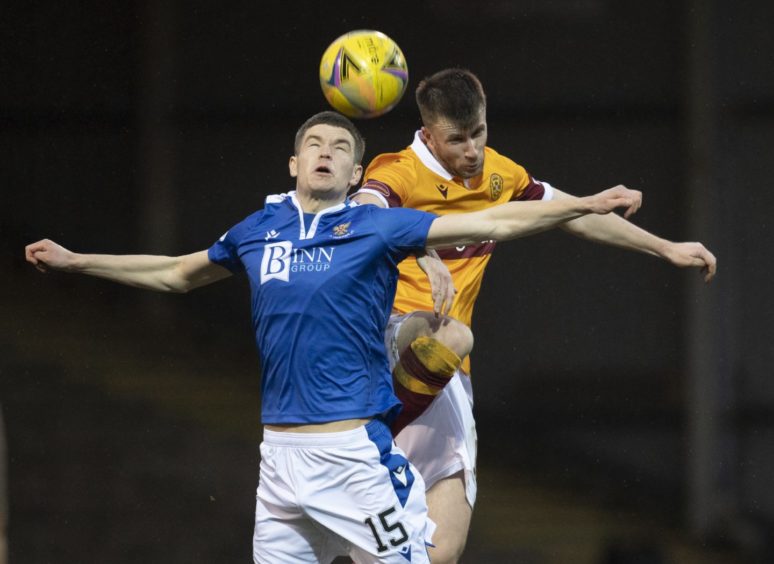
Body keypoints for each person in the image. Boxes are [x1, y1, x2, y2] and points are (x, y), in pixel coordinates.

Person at [25, 111, 643, 563]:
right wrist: (78, 262)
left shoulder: (374, 225)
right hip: (278, 464)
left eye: (340, 146)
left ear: (354, 170)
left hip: (352, 458)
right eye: (313, 144)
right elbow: (177, 272)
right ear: (294, 164)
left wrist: (582, 204)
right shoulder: (256, 230)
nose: (325, 151)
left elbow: (494, 218)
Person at [353, 69, 718, 563]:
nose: (471, 151)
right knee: (442, 336)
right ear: (427, 133)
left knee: (440, 552)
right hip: (389, 343)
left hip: (450, 378)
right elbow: (362, 211)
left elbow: (576, 215)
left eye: (478, 133)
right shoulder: (398, 170)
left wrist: (665, 248)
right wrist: (420, 247)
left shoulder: (500, 175)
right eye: (456, 140)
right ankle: (373, 431)